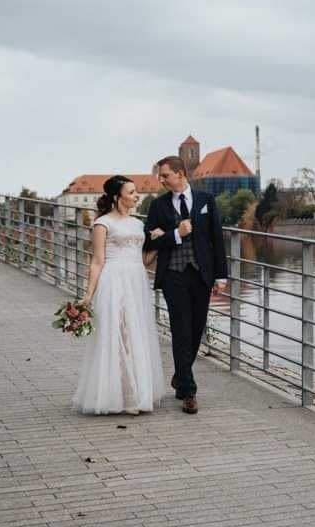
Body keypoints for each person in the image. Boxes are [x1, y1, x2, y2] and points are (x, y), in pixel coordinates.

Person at [72, 176, 166, 414]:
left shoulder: (138, 224)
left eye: (136, 191)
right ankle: (118, 395)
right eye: (131, 192)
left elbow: (144, 260)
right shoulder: (102, 224)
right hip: (113, 281)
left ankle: (134, 392)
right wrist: (88, 294)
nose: (137, 196)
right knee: (117, 334)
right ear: (117, 196)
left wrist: (159, 242)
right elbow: (97, 261)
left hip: (136, 281)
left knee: (135, 334)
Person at [143, 156, 227, 415]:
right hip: (173, 275)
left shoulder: (206, 200)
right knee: (180, 330)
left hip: (201, 273)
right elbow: (149, 240)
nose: (161, 180)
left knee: (196, 328)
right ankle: (189, 393)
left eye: (165, 175)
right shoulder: (158, 205)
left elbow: (217, 238)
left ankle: (180, 376)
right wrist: (174, 234)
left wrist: (221, 276)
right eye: (160, 175)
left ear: (180, 174)